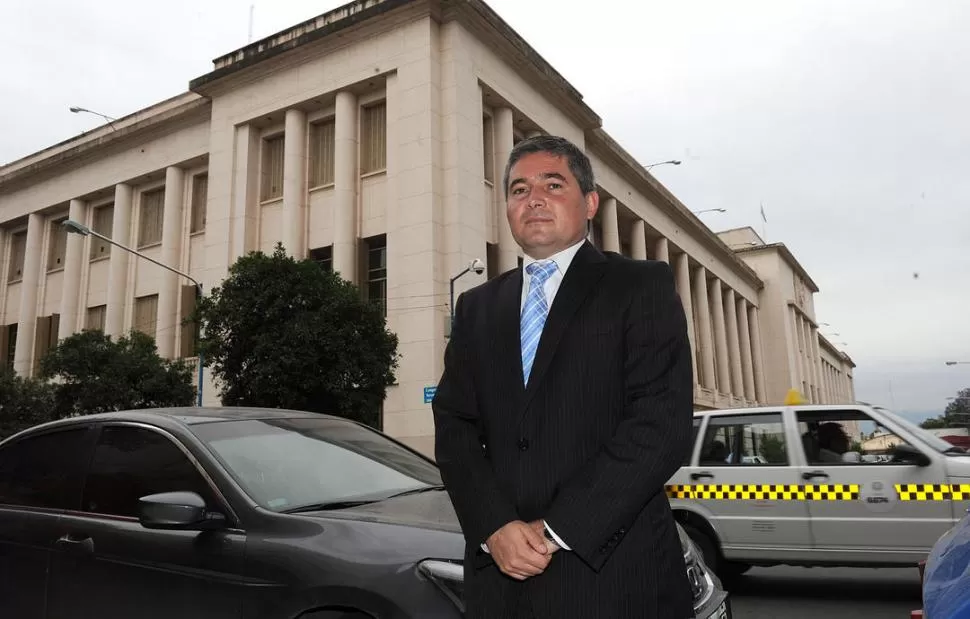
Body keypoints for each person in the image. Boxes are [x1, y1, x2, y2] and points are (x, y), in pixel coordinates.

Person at [432, 135, 695, 618]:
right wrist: (494, 526)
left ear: (590, 202)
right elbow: (454, 426)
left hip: (613, 577)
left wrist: (556, 530)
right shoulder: (477, 308)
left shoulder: (641, 286)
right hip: (502, 581)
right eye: (518, 189)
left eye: (553, 184)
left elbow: (660, 425)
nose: (533, 198)